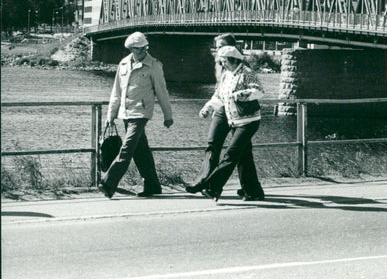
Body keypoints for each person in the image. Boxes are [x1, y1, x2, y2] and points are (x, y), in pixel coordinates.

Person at [185, 34, 264, 200]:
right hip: (231, 117)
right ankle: (253, 191)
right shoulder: (227, 73)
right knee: (241, 153)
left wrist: (240, 95)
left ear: (233, 58)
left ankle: (211, 186)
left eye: (224, 60)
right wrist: (207, 107)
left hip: (248, 120)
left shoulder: (246, 72)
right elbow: (219, 95)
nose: (221, 63)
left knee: (232, 154)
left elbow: (259, 91)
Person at [99, 31, 173, 199]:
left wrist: (168, 115)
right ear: (131, 49)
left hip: (141, 113)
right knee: (141, 151)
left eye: (144, 48)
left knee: (126, 149)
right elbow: (116, 92)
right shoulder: (123, 64)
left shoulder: (154, 65)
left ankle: (108, 183)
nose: (142, 52)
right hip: (125, 113)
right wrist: (110, 115)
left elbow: (162, 92)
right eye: (137, 49)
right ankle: (152, 185)